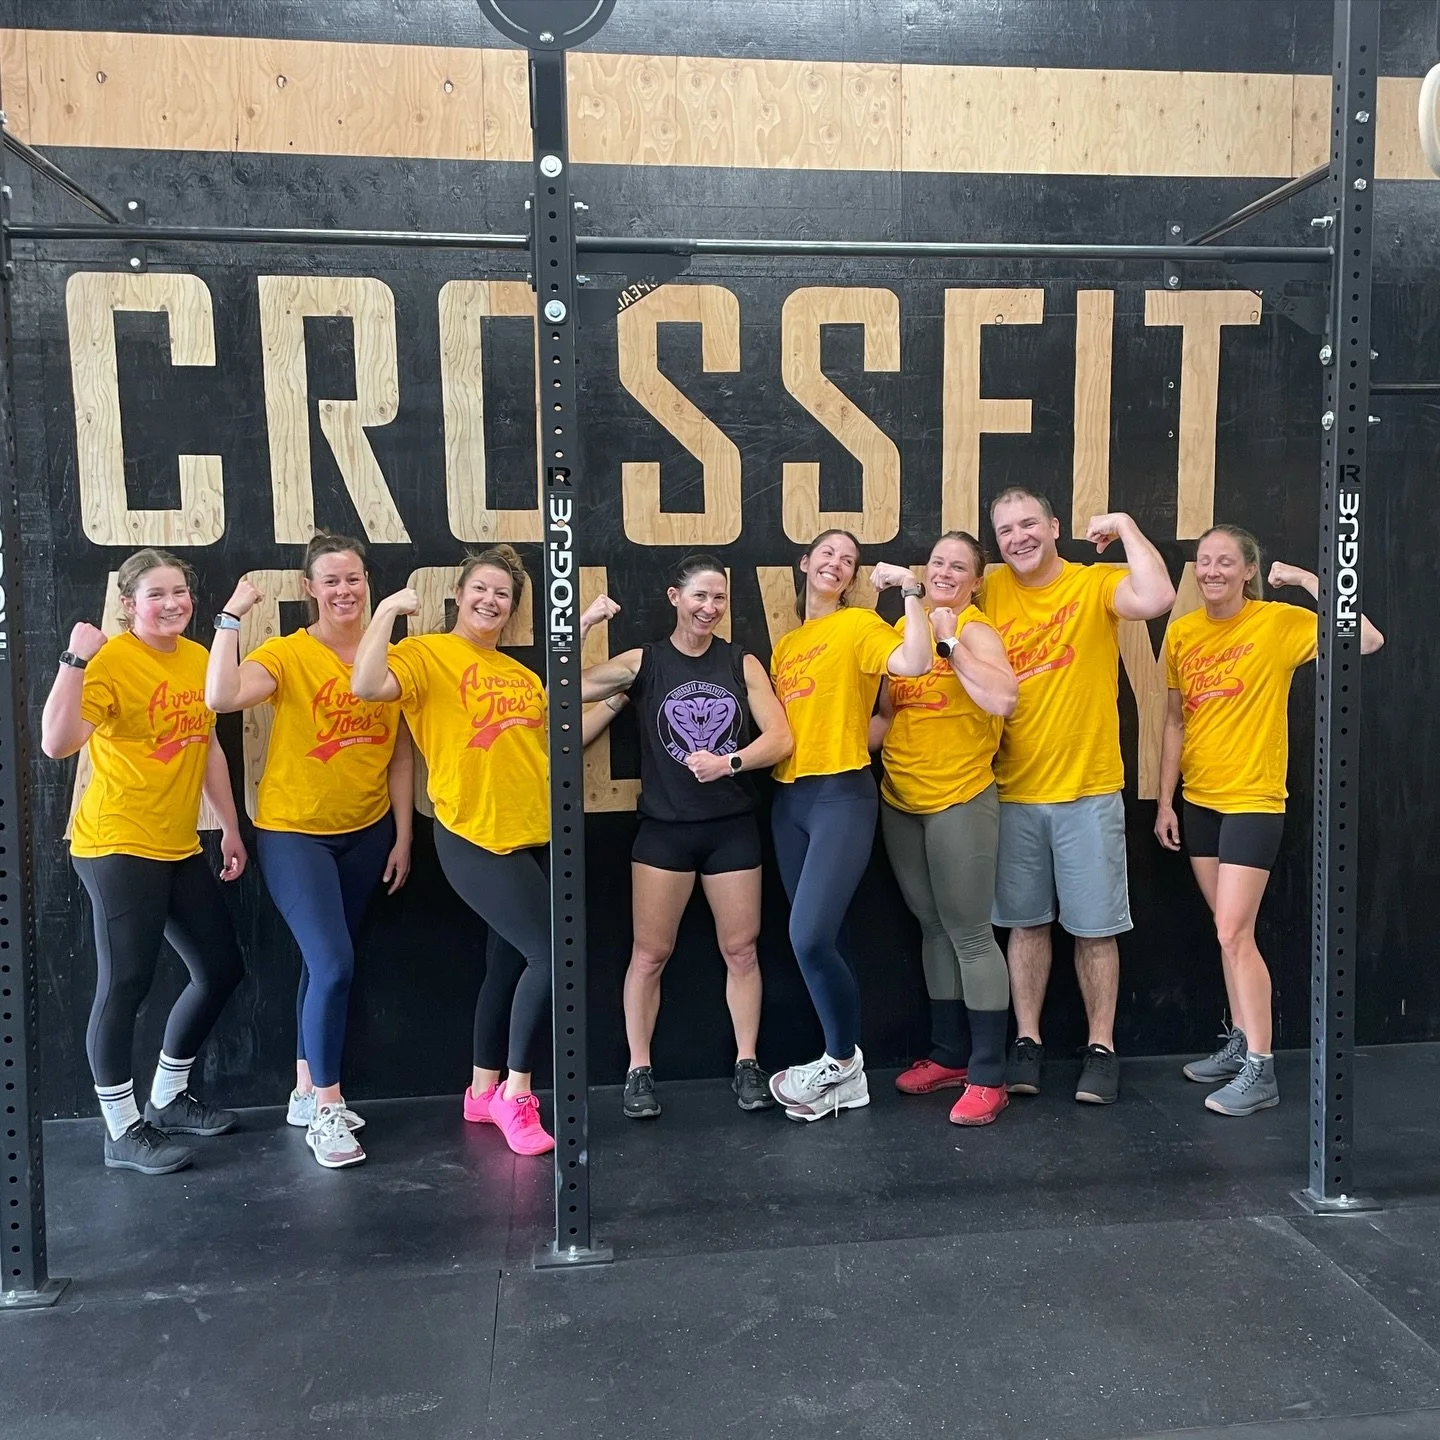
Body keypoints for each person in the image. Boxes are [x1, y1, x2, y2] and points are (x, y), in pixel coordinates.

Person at [351, 546, 613, 1157]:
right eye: (481, 589)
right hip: (475, 834)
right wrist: (385, 612)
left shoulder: (518, 675)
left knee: (509, 964)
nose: (490, 601)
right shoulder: (426, 654)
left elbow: (548, 727)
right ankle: (516, 1095)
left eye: (502, 594)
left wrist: (584, 632)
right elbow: (365, 684)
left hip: (533, 833)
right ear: (459, 595)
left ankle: (481, 1090)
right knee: (551, 955)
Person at [1155, 527, 1383, 1115]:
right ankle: (1240, 1042)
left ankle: (1261, 1069)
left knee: (1234, 933)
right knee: (1226, 932)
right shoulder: (1183, 632)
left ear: (1249, 571)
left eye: (1225, 562)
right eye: (1204, 561)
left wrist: (1306, 580)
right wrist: (1165, 801)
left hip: (1253, 801)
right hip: (1199, 801)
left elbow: (1367, 639)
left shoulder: (1277, 622)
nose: (1212, 571)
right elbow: (1175, 722)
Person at [205, 533, 414, 1169]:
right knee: (334, 965)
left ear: (366, 581)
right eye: (331, 580)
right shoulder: (288, 653)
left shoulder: (390, 658)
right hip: (295, 833)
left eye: (353, 578)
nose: (344, 590)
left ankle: (303, 1091)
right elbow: (221, 697)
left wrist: (403, 833)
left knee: (322, 967)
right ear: (309, 589)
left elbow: (400, 754)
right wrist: (230, 617)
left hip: (368, 831)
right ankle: (328, 1106)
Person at [40, 549, 247, 1176]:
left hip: (177, 843)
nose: (173, 604)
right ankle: (121, 1130)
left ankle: (168, 1097)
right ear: (129, 604)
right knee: (126, 983)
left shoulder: (197, 658)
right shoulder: (110, 661)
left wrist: (229, 827)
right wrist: (75, 659)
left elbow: (207, 747)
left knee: (220, 969)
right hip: (116, 844)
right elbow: (57, 743)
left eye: (180, 592)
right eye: (157, 594)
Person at [580, 554, 793, 1120]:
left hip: (730, 829)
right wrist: (583, 625)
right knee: (650, 954)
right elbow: (561, 692)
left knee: (741, 951)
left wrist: (729, 763)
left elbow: (781, 739)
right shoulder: (644, 661)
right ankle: (638, 1069)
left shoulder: (740, 661)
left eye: (719, 598)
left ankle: (748, 1062)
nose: (710, 607)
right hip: (665, 832)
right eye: (700, 595)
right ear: (675, 598)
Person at [983, 489, 1175, 1104]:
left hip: (1089, 790)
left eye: (1029, 524)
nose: (1019, 537)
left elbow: (1158, 597)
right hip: (1013, 791)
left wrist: (1125, 524)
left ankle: (1101, 1048)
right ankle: (1027, 1042)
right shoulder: (990, 589)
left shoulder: (1092, 584)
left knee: (1095, 930)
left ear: (1054, 526)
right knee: (1025, 926)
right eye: (1006, 530)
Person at [766, 529, 936, 1121]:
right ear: (804, 563)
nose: (836, 564)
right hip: (788, 800)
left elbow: (915, 662)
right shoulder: (787, 647)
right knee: (826, 941)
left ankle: (842, 1063)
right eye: (827, 554)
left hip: (841, 795)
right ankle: (844, 1077)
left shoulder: (860, 624)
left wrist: (910, 590)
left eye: (848, 559)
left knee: (808, 937)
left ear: (853, 577)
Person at [870, 531, 1018, 1125]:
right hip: (900, 798)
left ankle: (989, 1075)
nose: (945, 573)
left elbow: (1003, 699)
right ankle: (951, 1055)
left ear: (977, 581)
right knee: (933, 928)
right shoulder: (902, 628)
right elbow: (886, 716)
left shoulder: (975, 630)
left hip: (960, 796)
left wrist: (950, 640)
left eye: (959, 567)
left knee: (971, 934)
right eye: (937, 563)